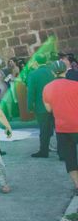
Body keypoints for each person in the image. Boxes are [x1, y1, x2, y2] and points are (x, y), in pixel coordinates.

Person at [44, 64, 78, 194]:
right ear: (65, 70)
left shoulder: (47, 88)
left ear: (53, 73)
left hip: (62, 128)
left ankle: (77, 184)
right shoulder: (75, 85)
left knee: (70, 157)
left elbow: (48, 109)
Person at [28, 58, 56, 158]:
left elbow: (31, 92)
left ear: (36, 62)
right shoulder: (52, 72)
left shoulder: (33, 74)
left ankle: (44, 151)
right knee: (58, 128)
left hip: (41, 105)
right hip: (55, 105)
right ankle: (63, 152)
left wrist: (30, 106)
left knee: (44, 129)